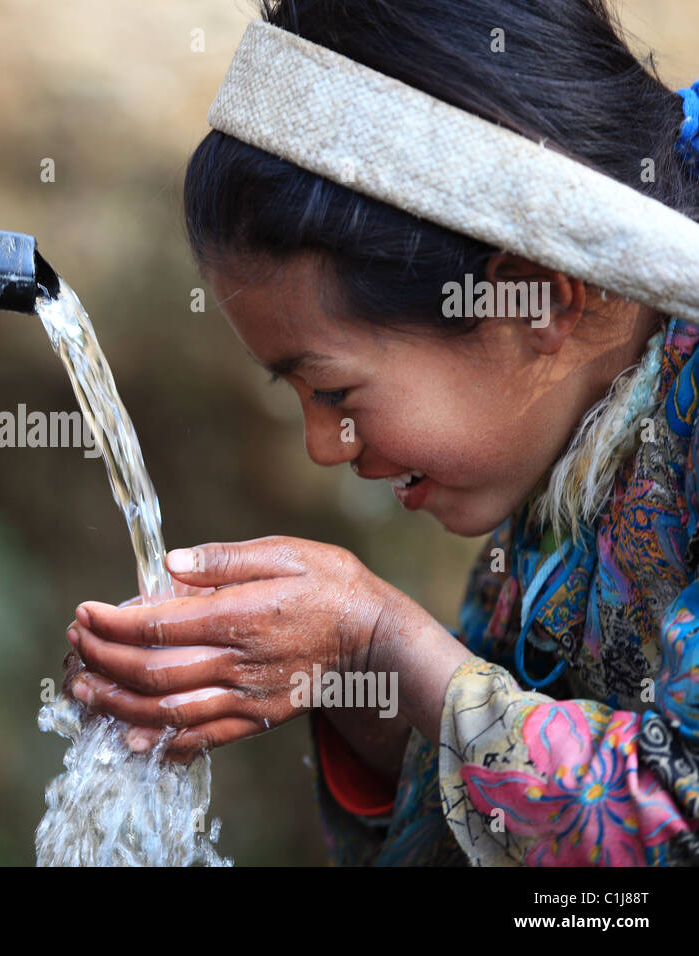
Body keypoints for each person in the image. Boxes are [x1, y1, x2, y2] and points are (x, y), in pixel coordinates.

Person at [62, 0, 699, 865]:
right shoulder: (561, 469)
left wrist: (380, 640)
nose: (325, 445)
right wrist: (355, 686)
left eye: (332, 390)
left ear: (535, 299)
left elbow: (669, 824)